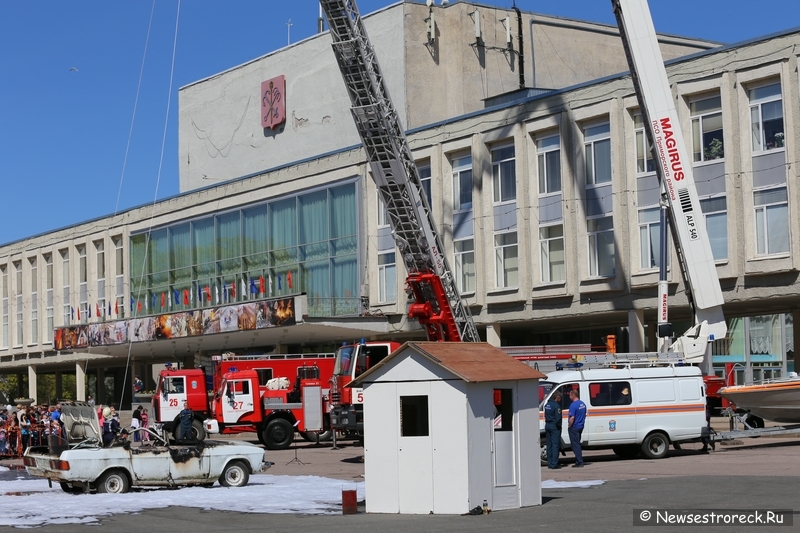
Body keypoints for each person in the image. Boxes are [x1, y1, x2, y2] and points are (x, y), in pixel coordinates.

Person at [568, 388, 587, 468]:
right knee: (577, 443)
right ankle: (578, 460)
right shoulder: (582, 404)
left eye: (570, 395)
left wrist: (569, 425)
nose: (569, 396)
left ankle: (579, 461)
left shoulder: (573, 405)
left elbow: (572, 417)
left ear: (573, 395)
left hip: (574, 427)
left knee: (575, 445)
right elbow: (584, 415)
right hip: (580, 426)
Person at [544, 391, 563, 469]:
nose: (560, 400)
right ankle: (554, 464)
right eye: (560, 398)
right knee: (555, 445)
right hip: (554, 426)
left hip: (547, 425)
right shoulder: (556, 406)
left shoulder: (547, 405)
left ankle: (550, 463)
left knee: (549, 445)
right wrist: (559, 427)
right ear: (557, 397)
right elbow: (558, 419)